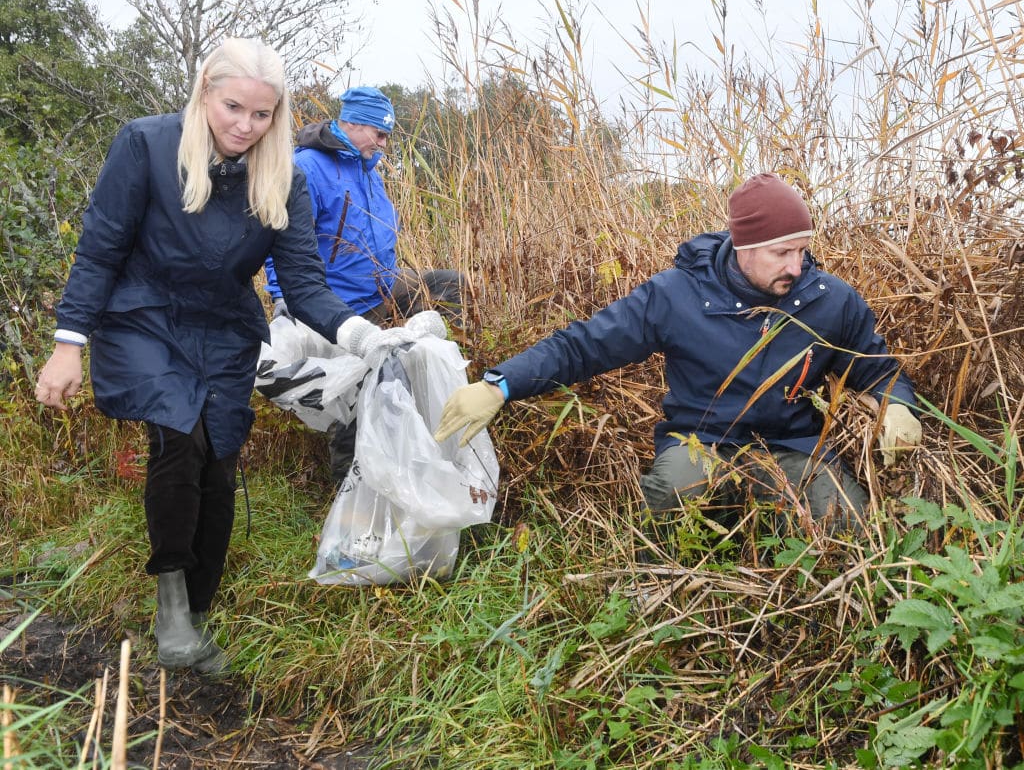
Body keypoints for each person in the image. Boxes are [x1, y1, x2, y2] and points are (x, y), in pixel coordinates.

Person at [34, 38, 412, 673]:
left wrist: (363, 336)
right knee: (178, 439)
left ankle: (197, 603)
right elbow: (100, 249)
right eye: (233, 107)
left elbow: (304, 283)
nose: (245, 126)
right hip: (142, 315)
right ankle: (172, 609)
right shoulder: (146, 145)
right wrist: (68, 342)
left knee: (218, 456)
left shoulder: (283, 177)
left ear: (278, 115)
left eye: (261, 115)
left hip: (224, 328)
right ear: (205, 90)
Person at [434, 173, 922, 539]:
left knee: (851, 529)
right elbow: (584, 345)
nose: (797, 267)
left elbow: (876, 370)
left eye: (803, 251)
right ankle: (654, 594)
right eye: (781, 254)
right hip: (700, 444)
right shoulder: (676, 295)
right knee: (671, 495)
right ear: (743, 248)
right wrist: (500, 384)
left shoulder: (830, 300)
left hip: (793, 449)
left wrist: (897, 403)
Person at [264, 86, 464, 482]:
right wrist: (285, 298)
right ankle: (349, 493)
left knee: (450, 286)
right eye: (379, 133)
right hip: (336, 304)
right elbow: (279, 243)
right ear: (350, 123)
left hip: (382, 290)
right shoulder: (306, 169)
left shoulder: (367, 170)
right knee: (354, 395)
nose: (384, 144)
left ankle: (411, 367)